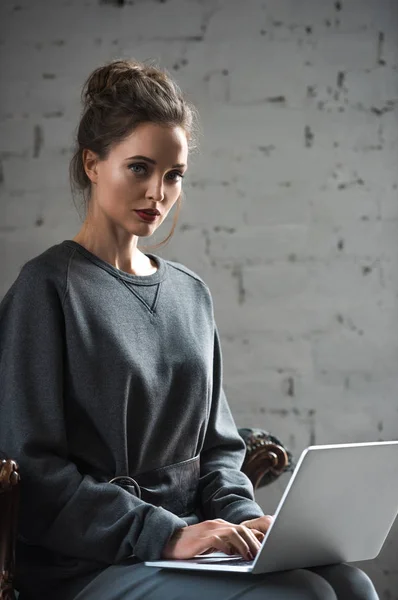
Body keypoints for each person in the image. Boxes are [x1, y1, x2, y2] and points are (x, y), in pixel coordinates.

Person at [0, 59, 378, 600]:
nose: (158, 192)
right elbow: (33, 471)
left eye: (173, 174)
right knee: (306, 596)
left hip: (197, 547)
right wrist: (164, 533)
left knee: (350, 583)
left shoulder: (189, 293)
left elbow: (219, 448)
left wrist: (246, 522)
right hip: (89, 565)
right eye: (139, 168)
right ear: (92, 164)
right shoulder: (46, 290)